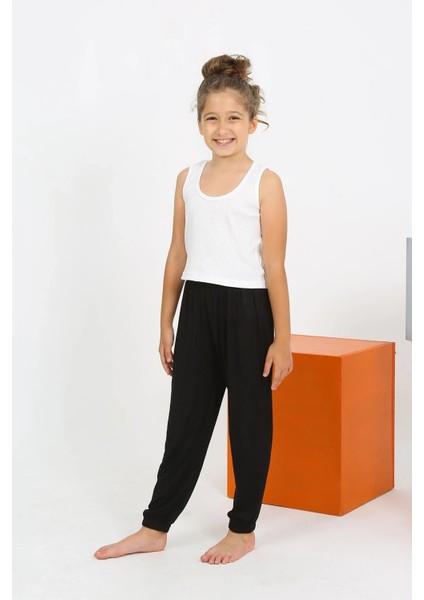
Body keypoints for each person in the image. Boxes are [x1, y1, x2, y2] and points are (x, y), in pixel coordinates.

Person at [94, 53, 293, 565]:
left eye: (234, 118)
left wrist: (283, 339)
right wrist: (166, 322)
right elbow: (177, 255)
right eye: (212, 118)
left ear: (253, 123)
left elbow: (274, 266)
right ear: (199, 123)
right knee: (184, 422)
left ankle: (242, 530)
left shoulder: (265, 182)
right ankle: (154, 526)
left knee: (249, 423)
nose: (222, 129)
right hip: (198, 308)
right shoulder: (187, 178)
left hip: (249, 311)